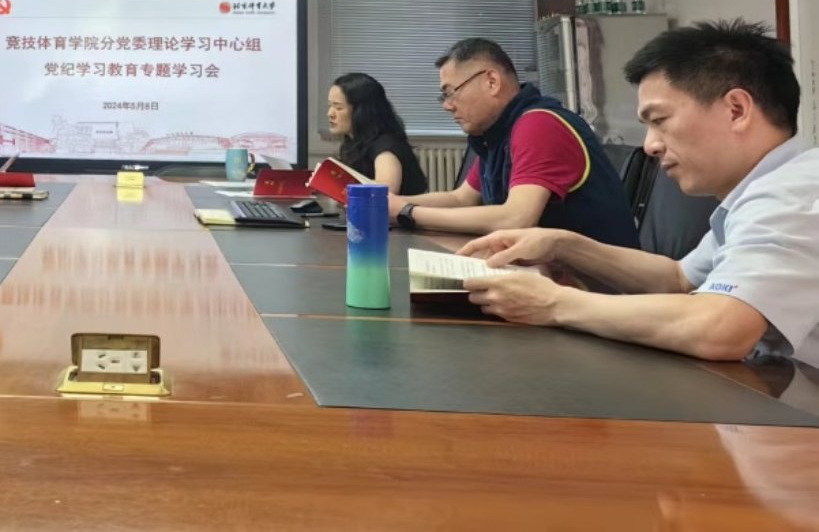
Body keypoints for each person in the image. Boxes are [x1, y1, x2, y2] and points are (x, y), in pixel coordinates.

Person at [459, 20, 818, 365]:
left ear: (736, 110)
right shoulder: (762, 189)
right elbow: (678, 278)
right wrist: (561, 245)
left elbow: (723, 328)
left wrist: (554, 304)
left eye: (660, 120)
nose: (650, 146)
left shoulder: (795, 193)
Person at [385, 38, 638, 245]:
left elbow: (516, 218)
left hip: (591, 283)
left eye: (450, 92)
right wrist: (390, 204)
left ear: (492, 82)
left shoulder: (539, 124)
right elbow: (462, 198)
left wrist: (408, 212)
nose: (447, 106)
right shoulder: (498, 132)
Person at [327, 73, 428, 195]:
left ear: (362, 111)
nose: (330, 114)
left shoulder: (385, 148)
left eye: (338, 108)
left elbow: (384, 195)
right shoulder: (353, 142)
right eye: (330, 106)